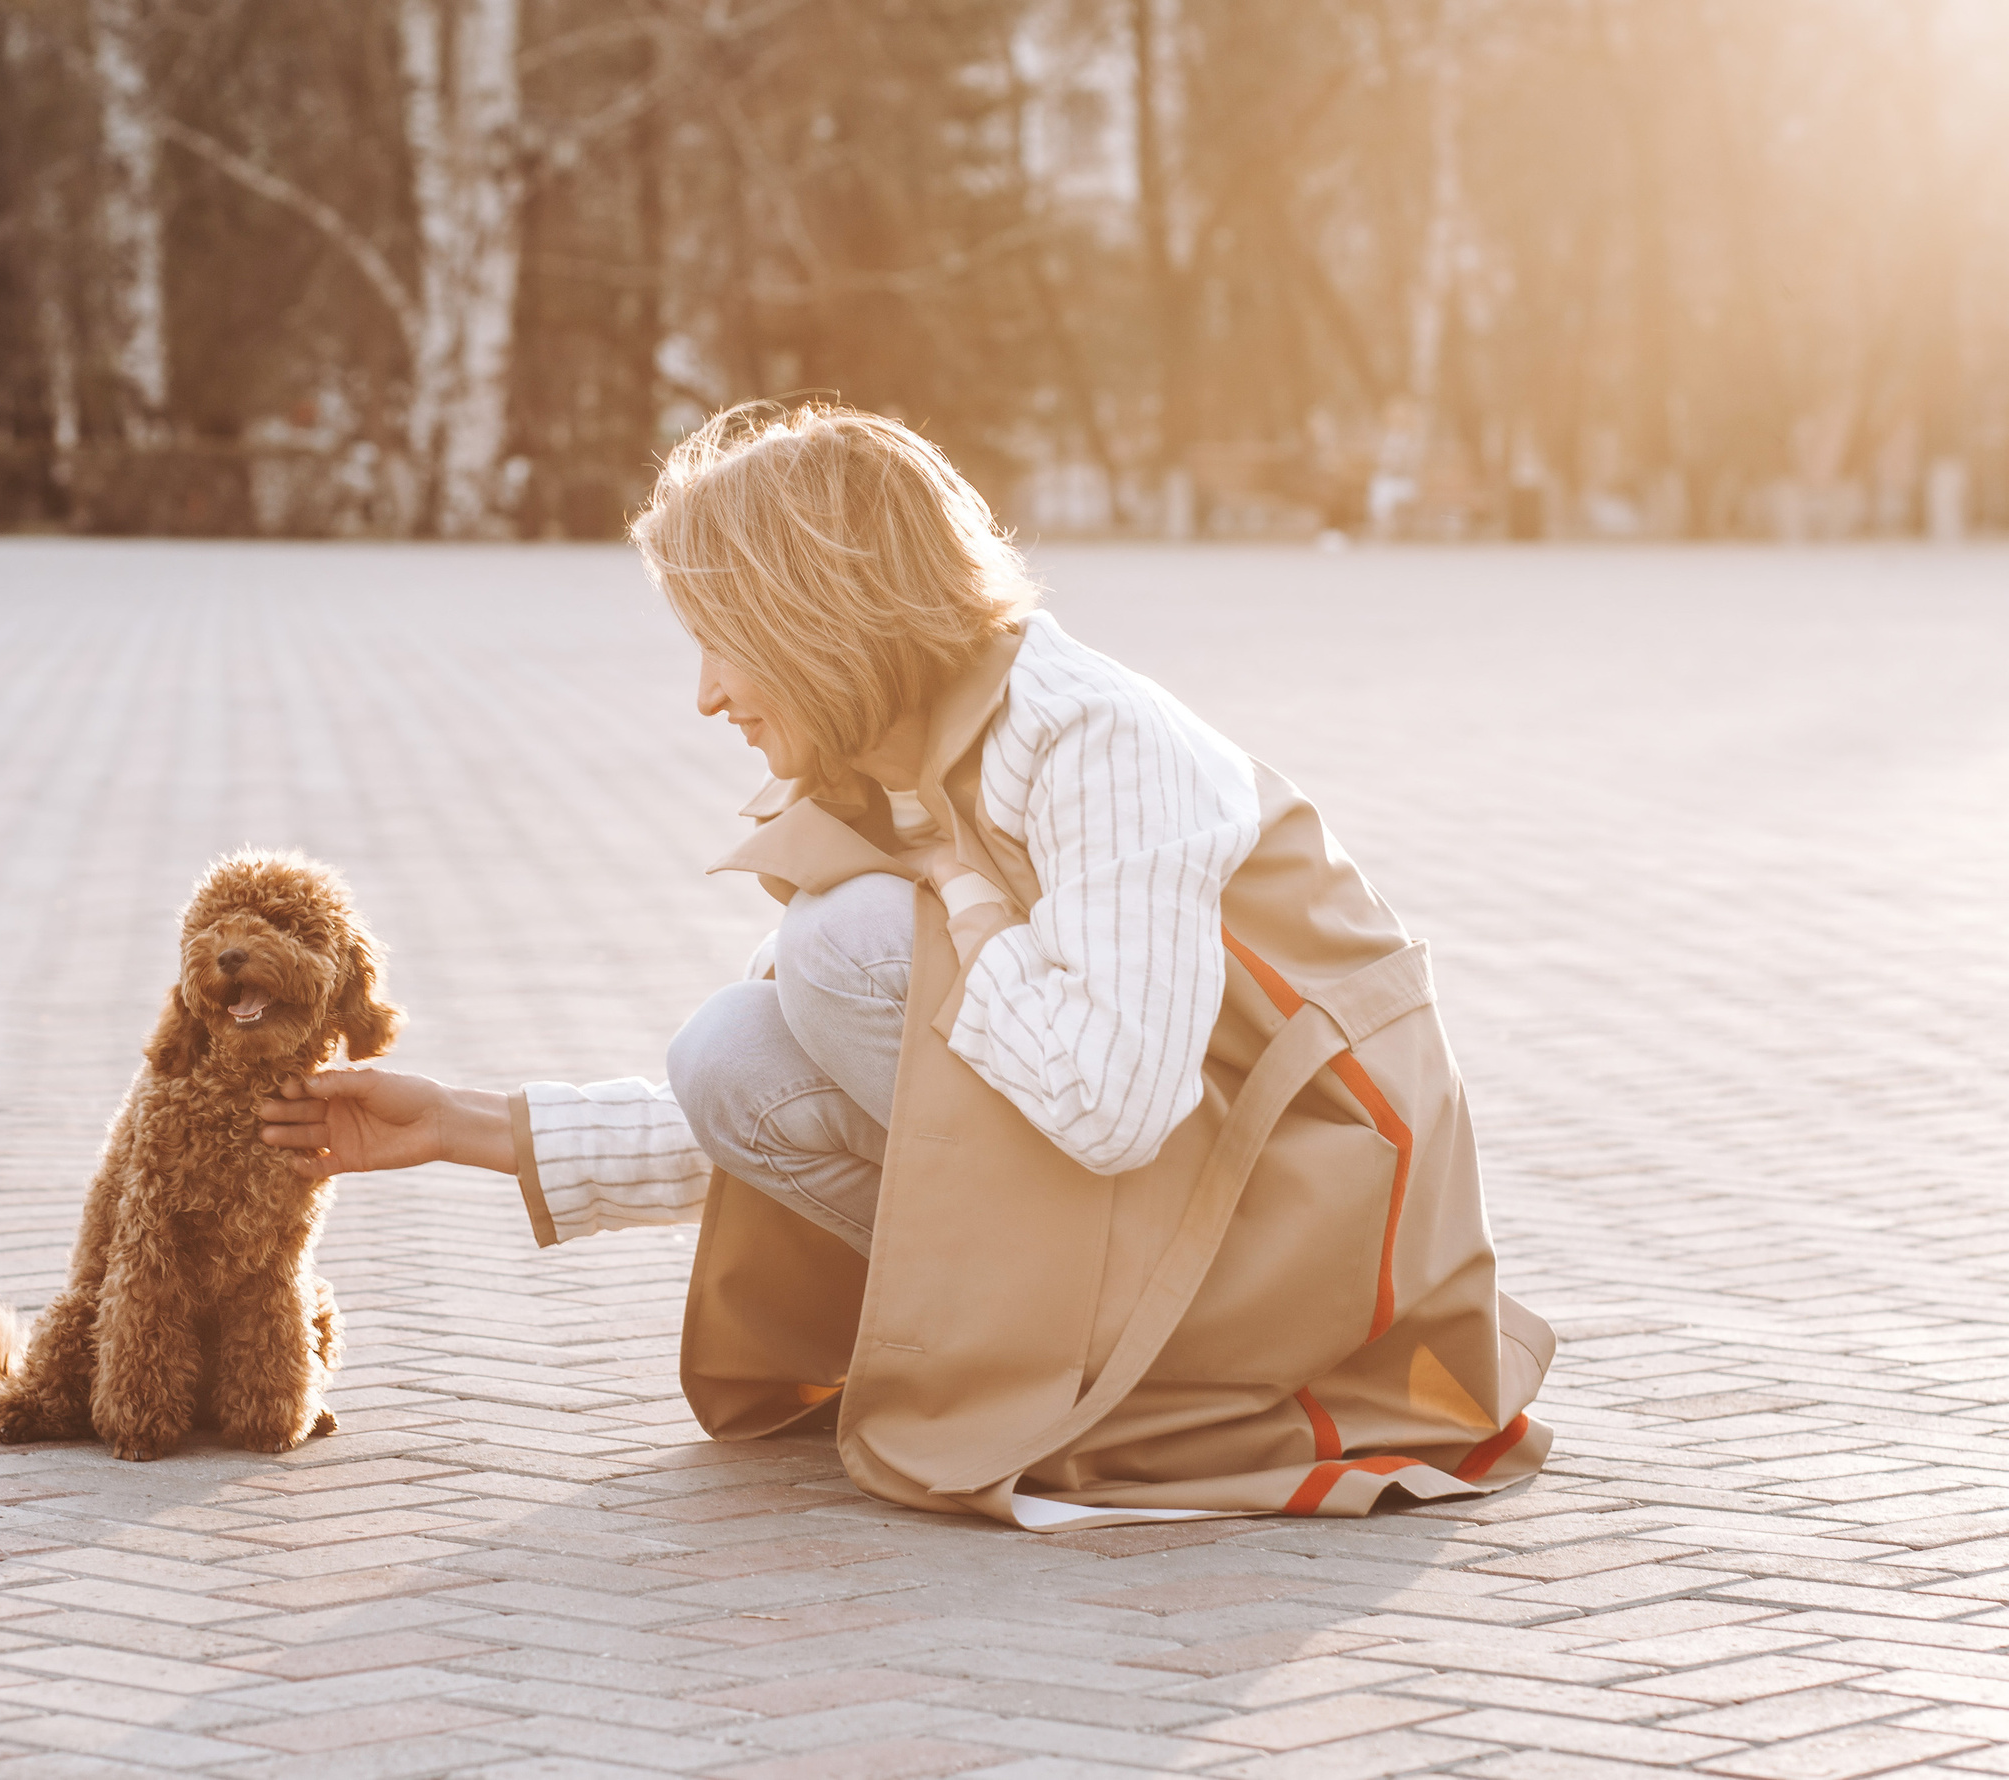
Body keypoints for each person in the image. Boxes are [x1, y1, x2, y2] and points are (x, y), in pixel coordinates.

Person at [260, 403, 1553, 1528]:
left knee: (839, 947)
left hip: (1315, 1244)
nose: (706, 694)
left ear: (816, 617)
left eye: (721, 638)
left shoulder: (1098, 741)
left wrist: (963, 903)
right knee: (734, 1045)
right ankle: (1064, 1357)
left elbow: (1113, 1105)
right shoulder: (907, 765)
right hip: (1189, 1195)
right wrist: (464, 1127)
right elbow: (795, 1102)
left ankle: (1123, 1372)